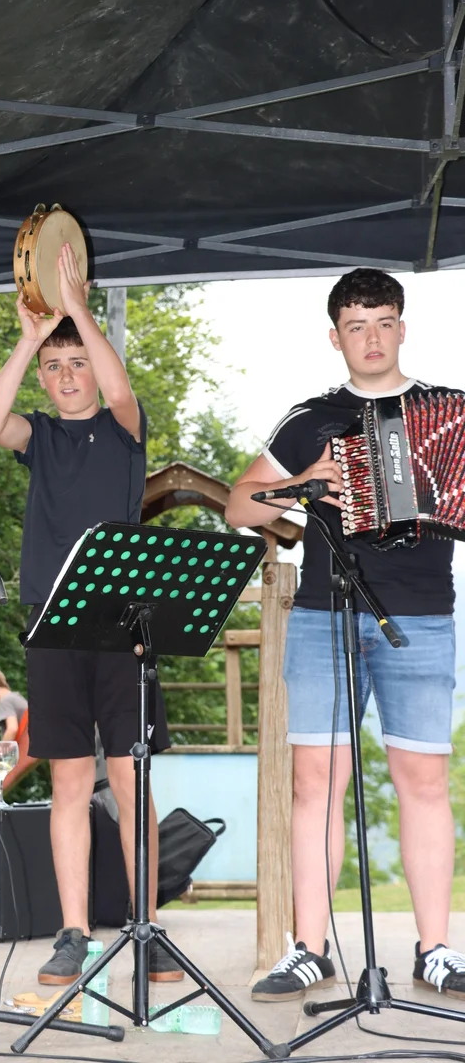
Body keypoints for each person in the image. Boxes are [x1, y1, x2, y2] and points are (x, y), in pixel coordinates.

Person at [226, 267, 465, 1002]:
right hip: (322, 617)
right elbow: (239, 506)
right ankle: (309, 949)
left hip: (420, 614)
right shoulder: (311, 419)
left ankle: (436, 950)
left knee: (423, 781)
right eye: (356, 326)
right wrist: (301, 483)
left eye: (384, 322)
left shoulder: (450, 411)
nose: (372, 338)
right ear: (336, 338)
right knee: (315, 784)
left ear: (402, 328)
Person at [0, 243, 181, 985]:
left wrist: (79, 312)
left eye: (77, 363)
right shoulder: (40, 436)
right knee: (68, 780)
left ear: (96, 366)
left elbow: (119, 387)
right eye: (54, 368)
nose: (67, 376)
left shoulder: (125, 430)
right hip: (53, 626)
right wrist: (31, 336)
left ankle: (146, 929)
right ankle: (72, 934)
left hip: (124, 625)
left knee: (129, 782)